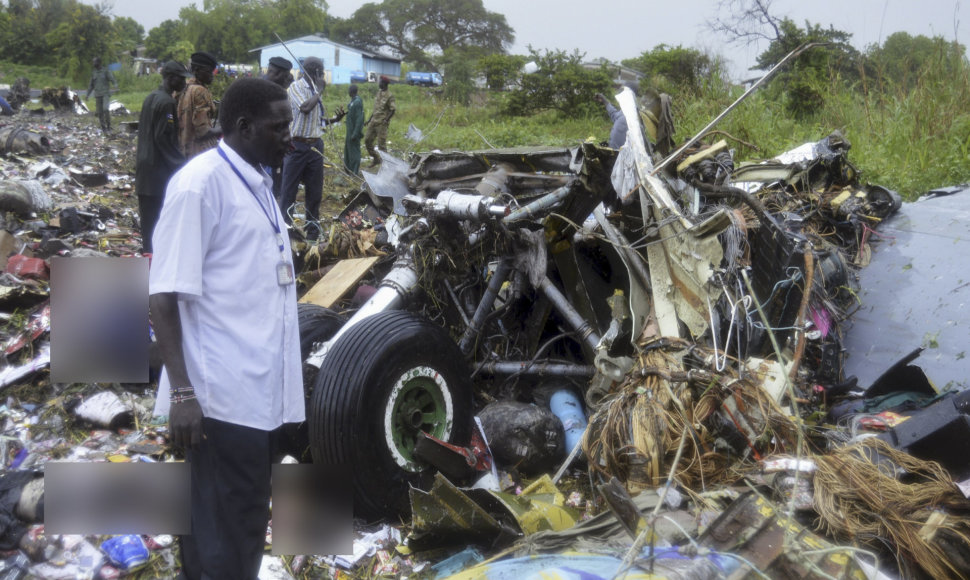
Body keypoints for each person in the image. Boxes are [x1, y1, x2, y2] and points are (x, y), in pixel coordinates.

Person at [149, 77, 302, 580]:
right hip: (217, 399)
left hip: (257, 393)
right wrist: (183, 395)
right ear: (242, 126)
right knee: (217, 530)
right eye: (279, 127)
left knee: (244, 519)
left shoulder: (257, 179)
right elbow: (163, 295)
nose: (289, 137)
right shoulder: (199, 185)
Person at [279, 56, 344, 238]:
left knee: (315, 193)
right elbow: (305, 108)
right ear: (314, 71)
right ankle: (286, 230)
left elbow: (318, 119)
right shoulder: (296, 87)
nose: (323, 75)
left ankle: (312, 231)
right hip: (297, 146)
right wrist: (320, 91)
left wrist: (335, 120)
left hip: (315, 146)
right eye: (321, 72)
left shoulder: (315, 91)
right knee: (289, 191)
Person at [135, 61, 191, 254]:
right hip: (157, 173)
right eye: (181, 78)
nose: (184, 82)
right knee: (158, 227)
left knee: (148, 226)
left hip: (144, 170)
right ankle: (154, 270)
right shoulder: (166, 102)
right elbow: (164, 138)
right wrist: (182, 165)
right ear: (170, 78)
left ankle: (148, 265)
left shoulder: (151, 98)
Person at [178, 51, 221, 158]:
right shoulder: (200, 91)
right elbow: (203, 132)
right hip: (199, 152)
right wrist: (225, 129)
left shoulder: (183, 87)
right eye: (209, 71)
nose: (212, 75)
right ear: (197, 70)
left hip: (182, 150)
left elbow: (171, 118)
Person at [263, 56, 293, 198]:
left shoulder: (275, 90)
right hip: (260, 150)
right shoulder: (260, 90)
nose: (286, 80)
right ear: (278, 74)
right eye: (286, 77)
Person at [364, 75, 395, 167]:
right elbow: (376, 109)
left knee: (381, 145)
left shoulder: (390, 95)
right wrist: (369, 120)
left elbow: (392, 109)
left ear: (384, 83)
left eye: (380, 82)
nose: (379, 83)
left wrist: (386, 120)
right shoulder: (378, 93)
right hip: (373, 121)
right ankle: (376, 159)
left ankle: (386, 166)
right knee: (367, 140)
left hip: (381, 124)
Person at [86, 57, 118, 135]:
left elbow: (112, 79)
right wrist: (87, 95)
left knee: (105, 109)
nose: (93, 64)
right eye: (93, 62)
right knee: (100, 113)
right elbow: (91, 85)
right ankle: (104, 129)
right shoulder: (94, 73)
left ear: (99, 62)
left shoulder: (105, 71)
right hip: (98, 95)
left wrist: (115, 85)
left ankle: (109, 126)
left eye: (95, 62)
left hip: (105, 94)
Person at [343, 83, 364, 175]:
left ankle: (354, 171)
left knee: (354, 152)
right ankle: (348, 169)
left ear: (351, 91)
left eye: (349, 90)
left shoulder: (357, 102)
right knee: (348, 151)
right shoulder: (352, 102)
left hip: (353, 132)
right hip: (349, 131)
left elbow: (359, 119)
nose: (348, 92)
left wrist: (355, 133)